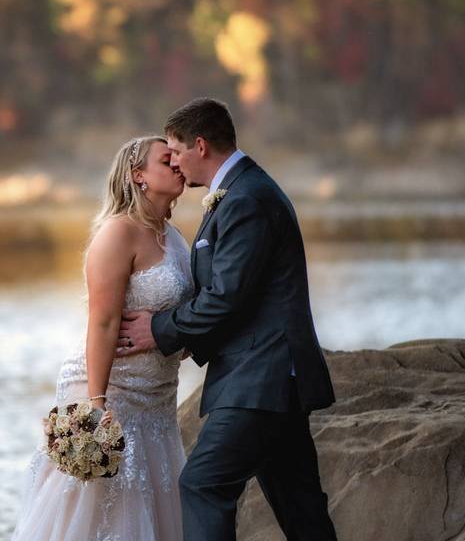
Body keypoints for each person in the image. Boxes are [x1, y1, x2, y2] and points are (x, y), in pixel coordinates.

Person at [118, 98, 338, 540]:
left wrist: (159, 329)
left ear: (200, 146)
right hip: (273, 378)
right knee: (302, 510)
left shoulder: (246, 198)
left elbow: (227, 298)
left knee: (202, 486)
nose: (175, 163)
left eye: (176, 151)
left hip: (260, 379)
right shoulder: (242, 192)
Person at [11, 136, 192, 540]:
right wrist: (96, 407)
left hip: (158, 401)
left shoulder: (176, 239)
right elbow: (103, 323)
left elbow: (184, 315)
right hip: (113, 394)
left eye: (178, 158)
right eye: (167, 160)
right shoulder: (118, 234)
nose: (178, 164)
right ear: (137, 175)